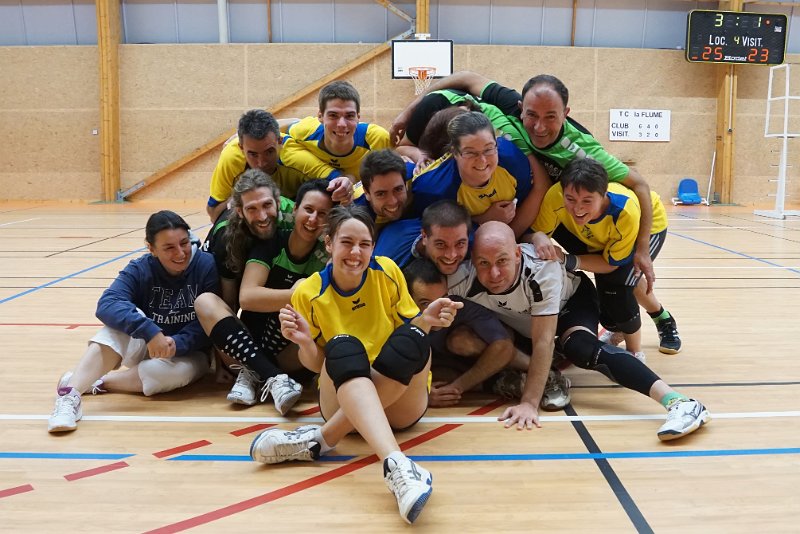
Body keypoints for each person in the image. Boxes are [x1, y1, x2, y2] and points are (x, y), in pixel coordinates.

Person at [248, 205, 463, 524]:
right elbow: (315, 365)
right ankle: (398, 465)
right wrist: (305, 342)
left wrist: (427, 320)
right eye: (347, 242)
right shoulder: (308, 291)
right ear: (328, 243)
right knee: (342, 345)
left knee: (414, 337)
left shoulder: (387, 272)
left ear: (373, 247)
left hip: (399, 403)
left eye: (364, 244)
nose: (355, 252)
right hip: (342, 394)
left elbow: (411, 339)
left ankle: (322, 439)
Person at [397, 71, 658, 292]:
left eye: (551, 117)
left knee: (617, 289)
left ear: (565, 114)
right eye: (532, 115)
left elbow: (640, 184)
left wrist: (643, 248)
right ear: (521, 108)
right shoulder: (506, 110)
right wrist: (409, 111)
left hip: (601, 215)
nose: (539, 127)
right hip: (547, 205)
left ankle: (649, 316)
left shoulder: (583, 151)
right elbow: (466, 77)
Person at [448, 221, 710, 441]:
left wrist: (529, 402)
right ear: (472, 260)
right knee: (461, 340)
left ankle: (679, 402)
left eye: (502, 261)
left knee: (580, 347)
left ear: (517, 254)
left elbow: (543, 341)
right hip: (523, 325)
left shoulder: (542, 268)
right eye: (483, 263)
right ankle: (550, 370)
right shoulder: (462, 278)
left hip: (570, 304)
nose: (494, 273)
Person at [48, 211, 220, 433]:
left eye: (184, 243)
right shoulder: (140, 268)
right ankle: (69, 397)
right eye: (169, 247)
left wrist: (177, 343)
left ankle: (97, 381)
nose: (180, 253)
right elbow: (107, 303)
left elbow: (209, 322)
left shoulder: (205, 264)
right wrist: (150, 331)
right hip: (149, 343)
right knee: (117, 326)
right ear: (151, 249)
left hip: (188, 352)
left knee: (168, 375)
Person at [194, 180, 332, 412]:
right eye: (308, 210)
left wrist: (295, 294)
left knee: (304, 289)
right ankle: (272, 376)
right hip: (243, 347)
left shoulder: (326, 256)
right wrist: (296, 295)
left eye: (322, 214)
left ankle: (256, 373)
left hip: (289, 354)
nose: (313, 219)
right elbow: (247, 298)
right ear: (295, 209)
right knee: (205, 301)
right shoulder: (272, 243)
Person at [531, 158, 680, 356]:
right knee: (613, 304)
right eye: (571, 199)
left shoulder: (624, 212)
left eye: (587, 201)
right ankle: (635, 323)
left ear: (603, 195)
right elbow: (536, 232)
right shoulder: (556, 196)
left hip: (646, 227)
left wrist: (568, 260)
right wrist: (538, 237)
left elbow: (611, 265)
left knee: (620, 288)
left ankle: (642, 346)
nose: (577, 208)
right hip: (605, 233)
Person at [402, 257, 519, 407]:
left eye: (443, 299)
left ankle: (539, 373)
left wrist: (457, 387)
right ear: (407, 300)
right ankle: (499, 382)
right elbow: (383, 373)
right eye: (425, 303)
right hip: (436, 366)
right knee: (433, 375)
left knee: (461, 341)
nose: (438, 310)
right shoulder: (394, 319)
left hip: (470, 359)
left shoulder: (458, 302)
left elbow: (504, 346)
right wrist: (422, 394)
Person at [410, 111, 538, 238]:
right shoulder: (433, 191)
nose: (482, 161)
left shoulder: (513, 162)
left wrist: (530, 237)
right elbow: (431, 235)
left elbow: (526, 201)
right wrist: (482, 219)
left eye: (488, 149)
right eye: (470, 153)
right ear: (455, 153)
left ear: (496, 144)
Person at [280, 80, 390, 187]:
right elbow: (274, 129)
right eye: (333, 115)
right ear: (320, 116)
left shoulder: (376, 138)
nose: (342, 124)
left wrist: (352, 183)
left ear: (358, 117)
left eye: (349, 116)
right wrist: (333, 175)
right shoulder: (306, 130)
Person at [206, 109, 306, 224]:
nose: (261, 163)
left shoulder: (299, 160)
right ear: (241, 147)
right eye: (253, 154)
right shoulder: (231, 159)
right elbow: (214, 213)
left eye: (269, 152)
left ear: (280, 142)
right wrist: (237, 200)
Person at [352, 148, 415, 226]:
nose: (393, 202)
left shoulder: (414, 174)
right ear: (367, 193)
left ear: (405, 184)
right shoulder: (355, 208)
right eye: (381, 194)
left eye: (398, 189)